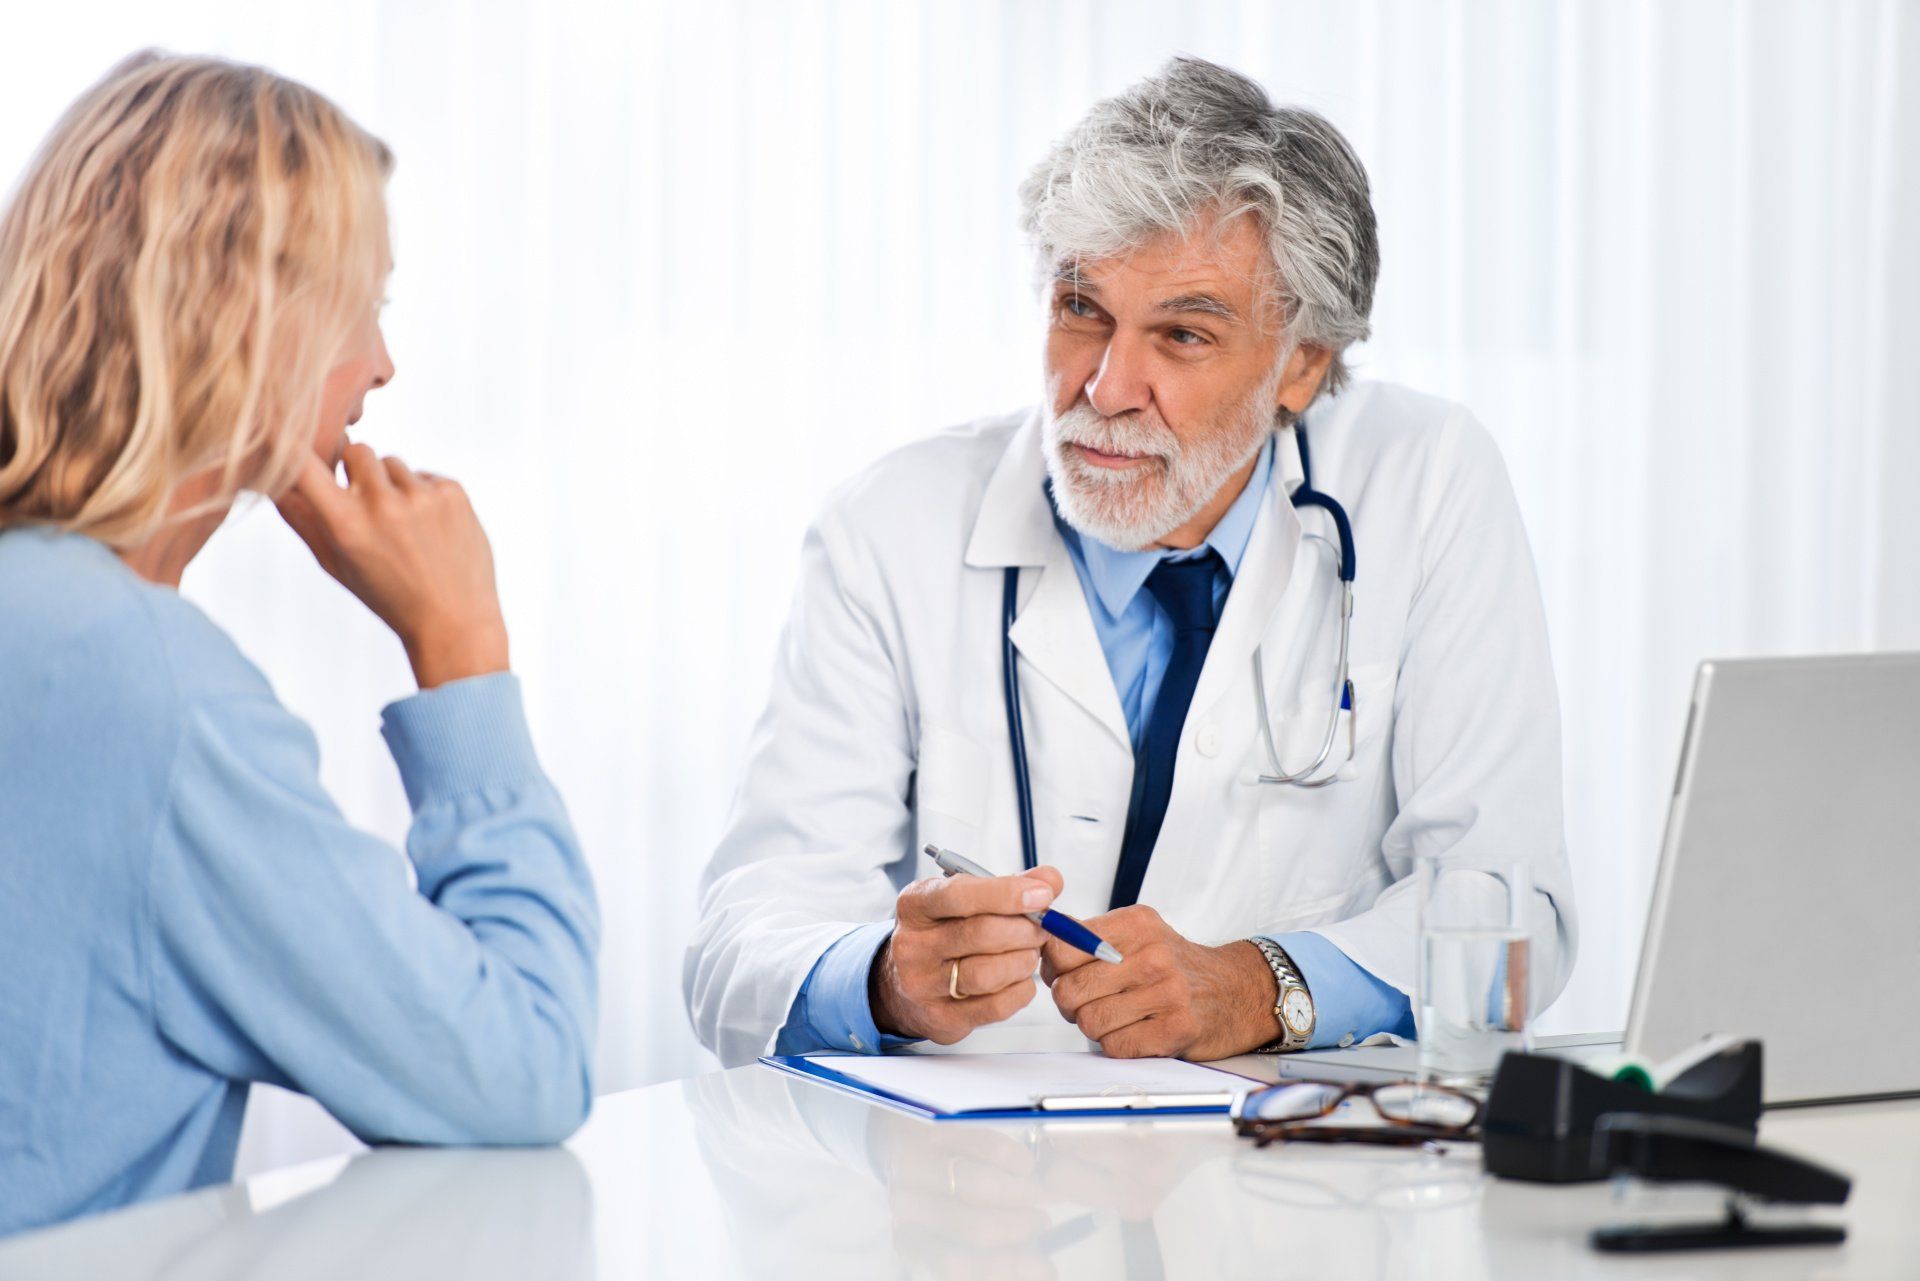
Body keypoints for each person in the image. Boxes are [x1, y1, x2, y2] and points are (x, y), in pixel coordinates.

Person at [686, 57, 1576, 1067]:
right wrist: (885, 980)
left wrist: (1261, 985)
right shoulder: (888, 528)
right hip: (970, 1188)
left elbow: (1514, 916)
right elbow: (737, 943)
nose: (1106, 385)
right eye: (1082, 310)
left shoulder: (1426, 483)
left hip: (1298, 1183)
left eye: (1183, 334)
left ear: (1302, 365)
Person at [0, 53, 598, 1235]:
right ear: (249, 318)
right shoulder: (146, 688)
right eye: (365, 305)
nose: (382, 365)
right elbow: (524, 1065)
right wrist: (461, 645)